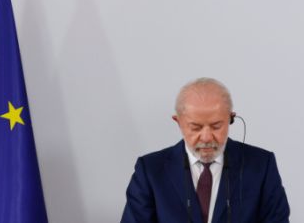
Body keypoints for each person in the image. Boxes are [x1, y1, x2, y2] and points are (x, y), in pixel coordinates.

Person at [122, 78, 290, 223]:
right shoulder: (150, 170)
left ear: (231, 119)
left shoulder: (262, 166)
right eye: (195, 127)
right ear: (178, 121)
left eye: (217, 126)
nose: (207, 137)